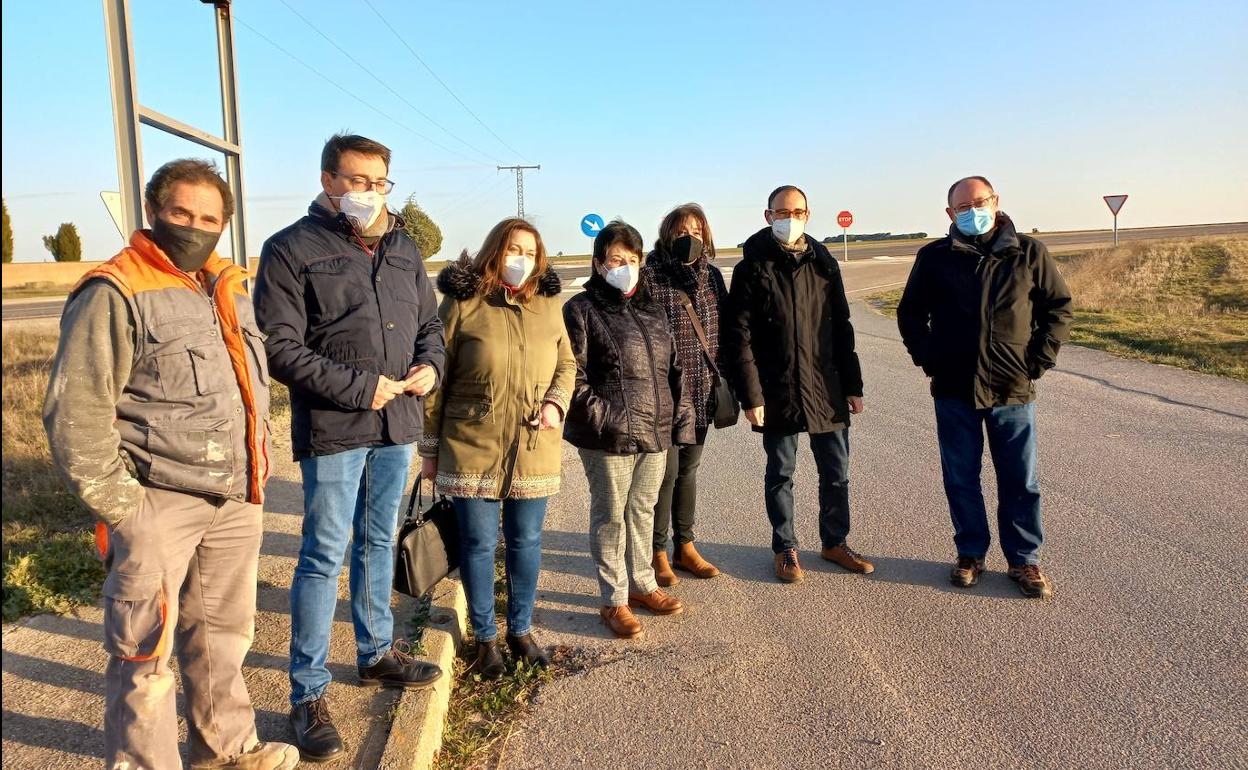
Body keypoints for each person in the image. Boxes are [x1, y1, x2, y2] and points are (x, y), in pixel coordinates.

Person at [43, 159, 298, 769]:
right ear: (153, 213)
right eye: (181, 213)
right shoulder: (117, 290)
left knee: (222, 641)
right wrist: (123, 507)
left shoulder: (227, 288)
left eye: (209, 218)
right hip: (156, 499)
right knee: (144, 654)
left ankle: (227, 751)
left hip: (234, 497)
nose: (195, 226)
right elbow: (74, 411)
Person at [253, 134, 445, 761]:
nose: (368, 193)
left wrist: (431, 369)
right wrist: (363, 389)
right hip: (336, 429)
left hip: (398, 426)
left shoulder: (403, 247)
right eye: (356, 180)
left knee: (378, 541)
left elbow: (429, 328)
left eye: (378, 182)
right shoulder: (290, 249)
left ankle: (375, 654)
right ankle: (307, 691)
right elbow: (280, 348)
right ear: (328, 179)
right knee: (323, 555)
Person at [896, 175, 1072, 599]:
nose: (972, 211)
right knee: (961, 477)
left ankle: (1024, 560)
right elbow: (910, 314)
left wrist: (1038, 362)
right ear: (949, 213)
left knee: (1020, 480)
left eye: (980, 202)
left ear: (995, 201)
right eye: (962, 206)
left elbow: (1058, 309)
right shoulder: (935, 256)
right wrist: (930, 359)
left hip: (1012, 388)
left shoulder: (1028, 253)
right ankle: (970, 553)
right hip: (954, 389)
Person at [421, 218, 575, 676]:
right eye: (513, 249)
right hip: (471, 443)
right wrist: (429, 450)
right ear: (495, 251)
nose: (520, 260)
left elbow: (567, 362)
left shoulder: (549, 304)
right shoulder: (463, 303)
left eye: (529, 252)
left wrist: (554, 404)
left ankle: (520, 630)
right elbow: (435, 379)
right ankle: (485, 638)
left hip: (533, 445)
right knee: (479, 542)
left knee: (526, 540)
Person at [723, 184, 872, 584]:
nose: (790, 219)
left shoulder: (824, 264)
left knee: (836, 471)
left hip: (827, 388)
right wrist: (750, 395)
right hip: (778, 390)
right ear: (768, 215)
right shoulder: (751, 267)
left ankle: (835, 542)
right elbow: (739, 337)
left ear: (808, 215)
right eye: (782, 212)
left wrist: (853, 385)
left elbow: (841, 327)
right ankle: (784, 547)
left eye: (798, 212)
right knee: (781, 473)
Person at [564, 220, 696, 639]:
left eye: (632, 260)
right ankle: (614, 599)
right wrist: (611, 420)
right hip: (609, 437)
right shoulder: (581, 310)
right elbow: (573, 378)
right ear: (599, 264)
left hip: (655, 434)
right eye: (616, 260)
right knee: (610, 517)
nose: (625, 267)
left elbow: (674, 369)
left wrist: (680, 417)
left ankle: (643, 585)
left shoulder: (652, 310)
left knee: (642, 510)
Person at [641, 204, 729, 585]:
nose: (689, 237)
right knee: (667, 473)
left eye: (696, 229)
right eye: (681, 231)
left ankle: (686, 546)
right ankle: (657, 552)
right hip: (665, 393)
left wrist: (727, 379)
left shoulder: (712, 277)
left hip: (701, 390)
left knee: (689, 471)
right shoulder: (649, 277)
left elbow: (723, 330)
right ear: (666, 235)